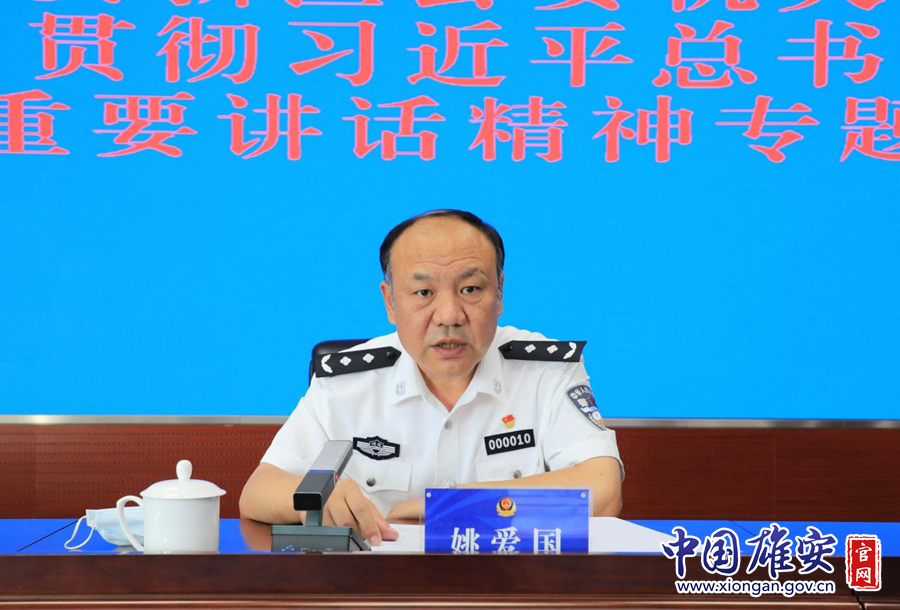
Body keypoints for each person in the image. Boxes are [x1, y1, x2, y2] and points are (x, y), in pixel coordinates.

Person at [240, 210, 623, 546]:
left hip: (515, 585)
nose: (449, 315)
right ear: (390, 302)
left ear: (499, 293)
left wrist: (447, 508)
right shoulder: (347, 383)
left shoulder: (547, 372)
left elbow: (603, 490)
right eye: (424, 292)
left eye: (470, 289)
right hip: (379, 589)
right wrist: (318, 500)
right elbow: (258, 491)